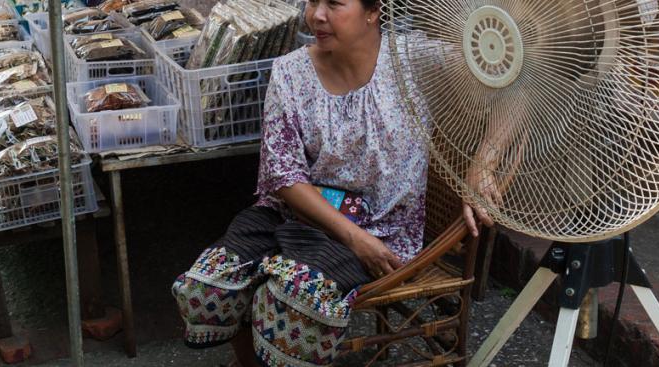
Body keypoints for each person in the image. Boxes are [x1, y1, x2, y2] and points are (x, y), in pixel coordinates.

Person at [170, 0, 493, 366]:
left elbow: (515, 88)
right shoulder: (290, 72)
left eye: (335, 4)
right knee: (207, 285)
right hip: (299, 215)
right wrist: (353, 239)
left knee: (292, 300)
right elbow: (284, 176)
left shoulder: (417, 61)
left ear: (373, 11)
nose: (316, 15)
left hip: (379, 230)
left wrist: (486, 161)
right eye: (312, 2)